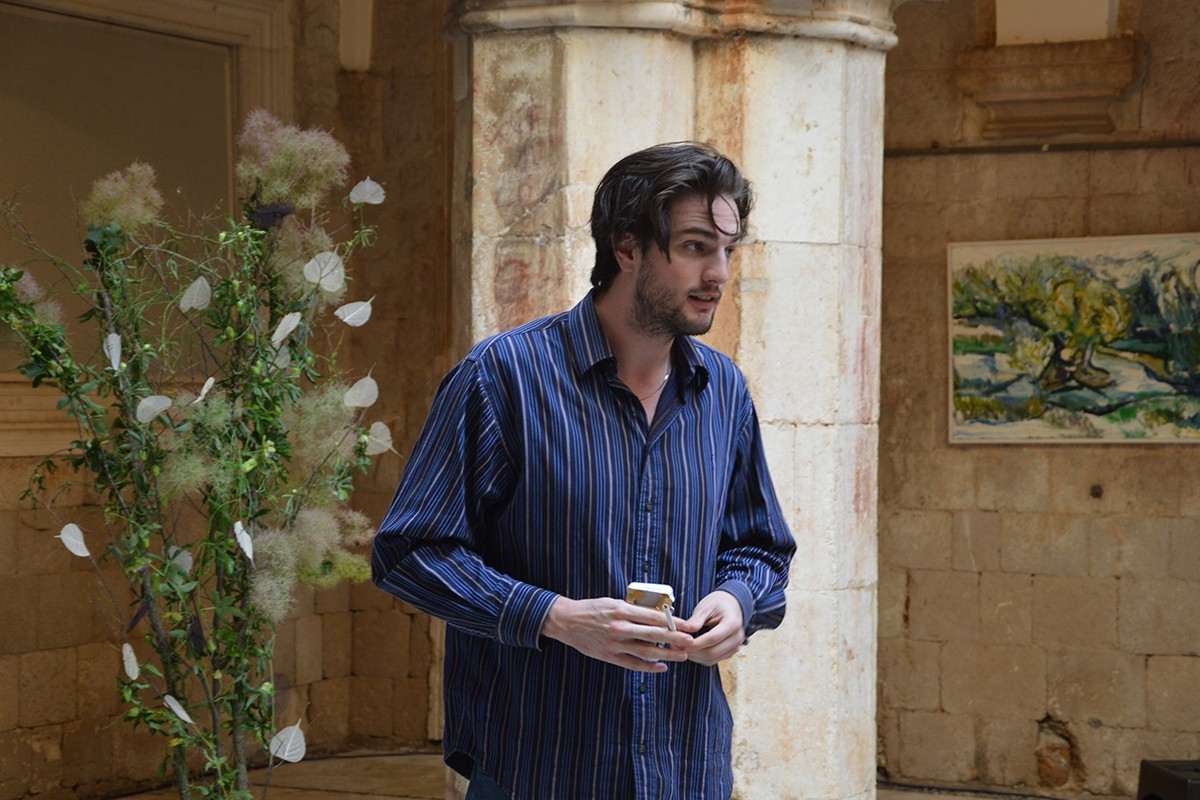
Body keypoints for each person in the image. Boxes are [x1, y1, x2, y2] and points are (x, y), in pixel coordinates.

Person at [371, 142, 796, 800]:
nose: (717, 273)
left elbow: (760, 547)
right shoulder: (504, 378)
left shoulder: (724, 392)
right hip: (538, 768)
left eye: (727, 250)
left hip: (685, 769)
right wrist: (554, 616)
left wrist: (738, 601)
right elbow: (409, 551)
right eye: (694, 247)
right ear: (627, 247)